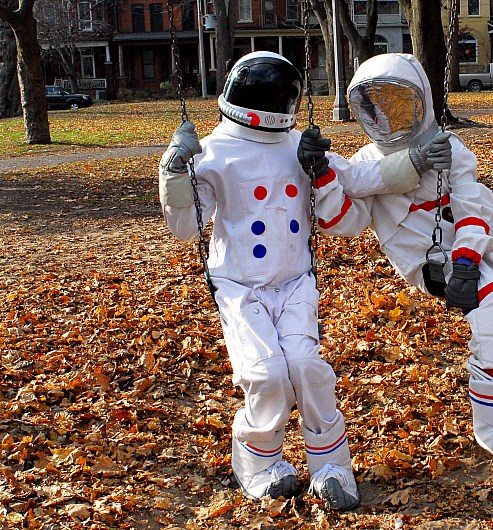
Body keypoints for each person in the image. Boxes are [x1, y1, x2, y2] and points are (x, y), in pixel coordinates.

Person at [158, 51, 452, 510]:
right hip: (240, 285)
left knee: (309, 370)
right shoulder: (214, 153)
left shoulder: (299, 147)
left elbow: (359, 175)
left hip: (294, 281)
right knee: (267, 373)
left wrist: (412, 160)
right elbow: (184, 228)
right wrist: (175, 171)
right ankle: (258, 462)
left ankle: (331, 465)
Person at [297, 53, 493, 475]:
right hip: (429, 261)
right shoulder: (364, 165)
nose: (389, 116)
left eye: (399, 103)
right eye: (376, 106)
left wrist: (467, 259)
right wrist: (322, 175)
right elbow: (344, 221)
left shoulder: (450, 148)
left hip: (483, 249)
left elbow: (471, 206)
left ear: (421, 100)